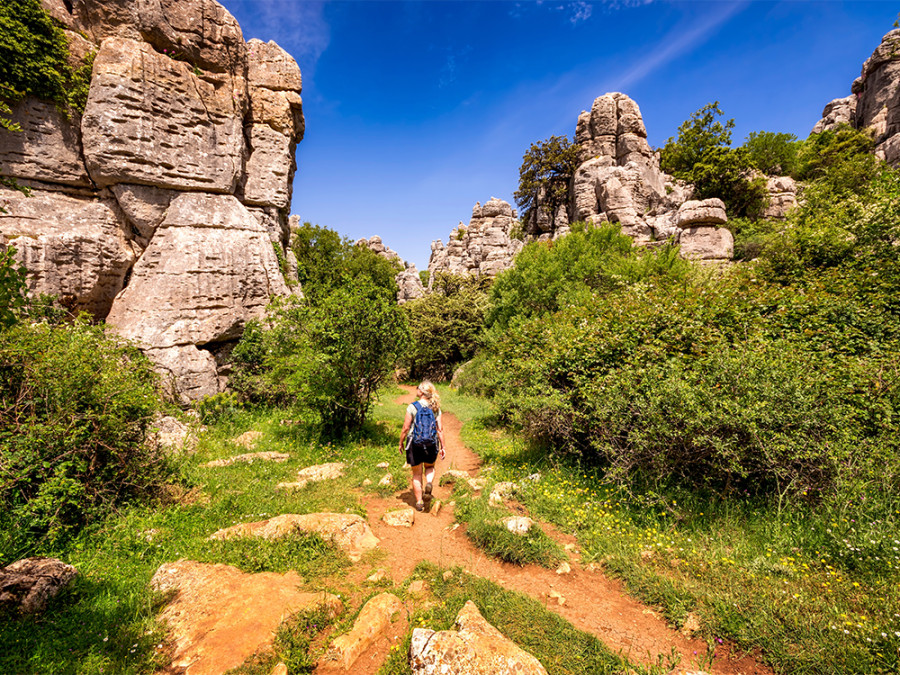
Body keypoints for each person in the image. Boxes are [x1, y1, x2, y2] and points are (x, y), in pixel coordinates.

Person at [398, 381, 445, 512]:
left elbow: (406, 428)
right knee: (429, 466)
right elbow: (440, 429)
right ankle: (429, 483)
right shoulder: (435, 407)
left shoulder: (412, 407)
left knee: (416, 473)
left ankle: (419, 502)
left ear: (421, 392)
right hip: (431, 443)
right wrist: (443, 447)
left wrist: (401, 442)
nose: (416, 389)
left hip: (415, 443)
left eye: (418, 388)